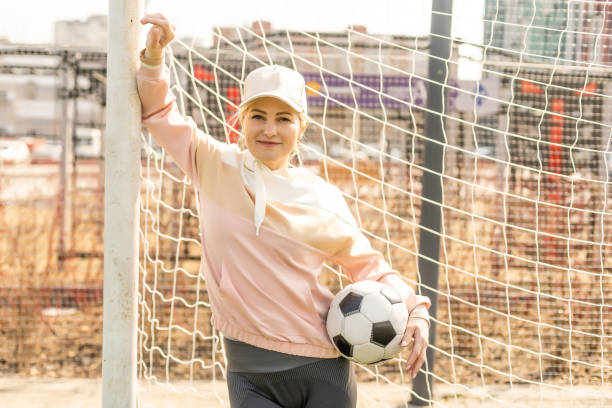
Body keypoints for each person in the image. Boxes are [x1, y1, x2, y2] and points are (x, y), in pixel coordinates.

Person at [137, 13, 432, 408]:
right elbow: (159, 114)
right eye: (258, 116)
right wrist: (154, 58)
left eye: (283, 119)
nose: (269, 130)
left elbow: (371, 268)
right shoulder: (212, 164)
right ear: (240, 120)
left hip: (323, 371)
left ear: (301, 128)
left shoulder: (321, 197)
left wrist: (415, 312)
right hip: (249, 373)